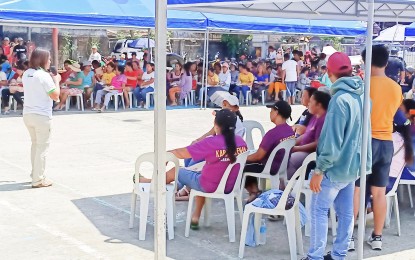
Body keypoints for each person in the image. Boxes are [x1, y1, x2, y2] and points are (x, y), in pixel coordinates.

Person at [305, 52, 370, 260]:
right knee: (346, 214)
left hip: (334, 168)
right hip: (353, 167)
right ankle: (339, 255)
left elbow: (332, 141)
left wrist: (319, 169)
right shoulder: (363, 95)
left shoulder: (339, 100)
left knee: (319, 211)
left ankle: (315, 256)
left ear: (330, 73)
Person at [140, 109, 248, 229]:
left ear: (216, 125)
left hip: (208, 185)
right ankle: (195, 216)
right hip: (230, 186)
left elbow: (180, 153)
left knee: (177, 171)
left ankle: (152, 184)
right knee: (199, 173)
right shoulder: (241, 142)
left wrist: (166, 155)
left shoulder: (211, 142)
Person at [353, 45, 402, 251]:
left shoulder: (363, 86)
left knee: (356, 189)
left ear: (368, 61)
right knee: (379, 193)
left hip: (366, 142)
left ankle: (349, 236)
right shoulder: (396, 88)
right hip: (386, 143)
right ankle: (377, 237)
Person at [22, 48, 60, 188]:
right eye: (49, 59)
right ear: (43, 60)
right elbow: (55, 96)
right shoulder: (44, 76)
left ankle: (35, 174)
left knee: (35, 145)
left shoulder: (27, 73)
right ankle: (38, 179)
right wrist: (56, 81)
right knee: (42, 148)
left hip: (28, 114)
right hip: (42, 116)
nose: (50, 62)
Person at [243, 101, 296, 199]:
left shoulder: (272, 134)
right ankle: (256, 191)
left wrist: (242, 158)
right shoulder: (290, 131)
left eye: (271, 111)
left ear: (276, 113)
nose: (270, 113)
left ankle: (254, 192)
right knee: (250, 163)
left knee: (241, 166)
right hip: (282, 166)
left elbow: (258, 156)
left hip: (269, 167)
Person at [287, 91, 331, 180]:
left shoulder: (323, 119)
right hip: (304, 149)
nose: (308, 104)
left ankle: (290, 187)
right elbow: (306, 134)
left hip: (312, 154)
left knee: (290, 160)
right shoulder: (315, 116)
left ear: (319, 104)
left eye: (311, 102)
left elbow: (317, 144)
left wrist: (297, 148)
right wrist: (292, 142)